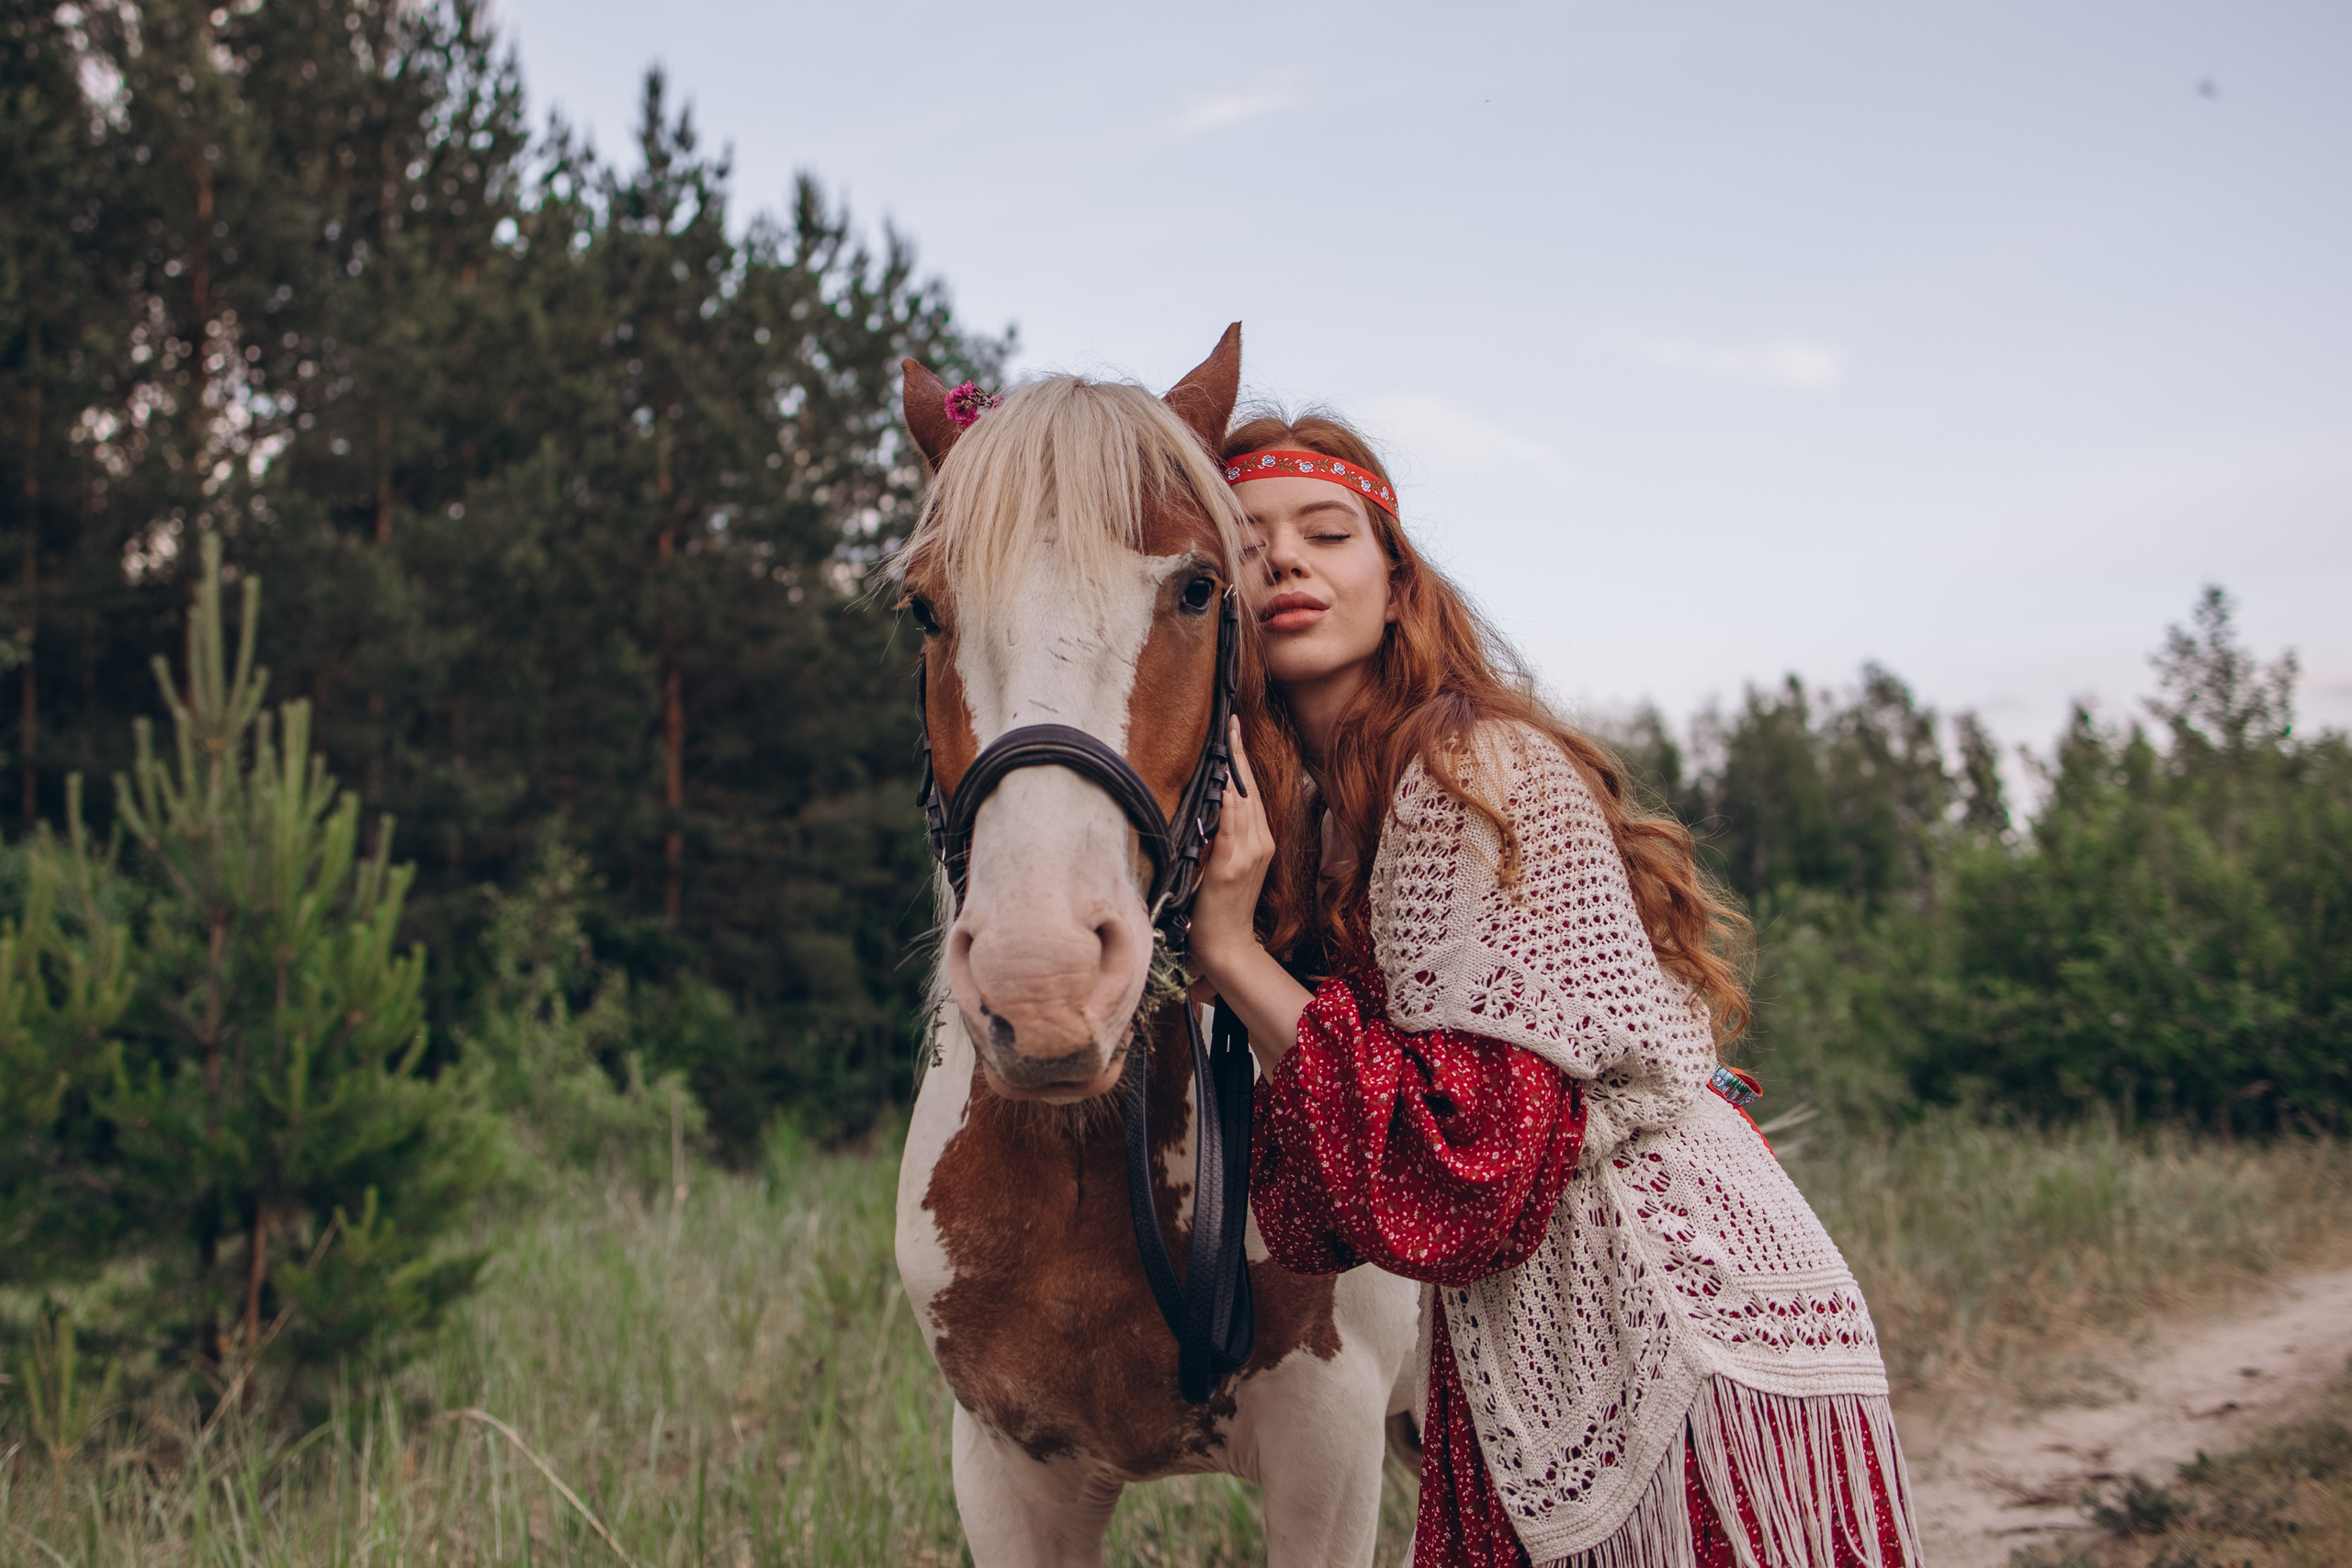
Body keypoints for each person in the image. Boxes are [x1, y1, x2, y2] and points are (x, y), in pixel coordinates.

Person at [1188, 414, 1921, 1567]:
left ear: (1396, 582)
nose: (1282, 561)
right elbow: (1339, 1189)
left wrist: (1232, 955)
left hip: (1666, 1314)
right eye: (1244, 543)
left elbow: (1465, 1156)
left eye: (1326, 534)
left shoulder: (1463, 769)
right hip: (1529, 1330)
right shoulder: (1315, 819)